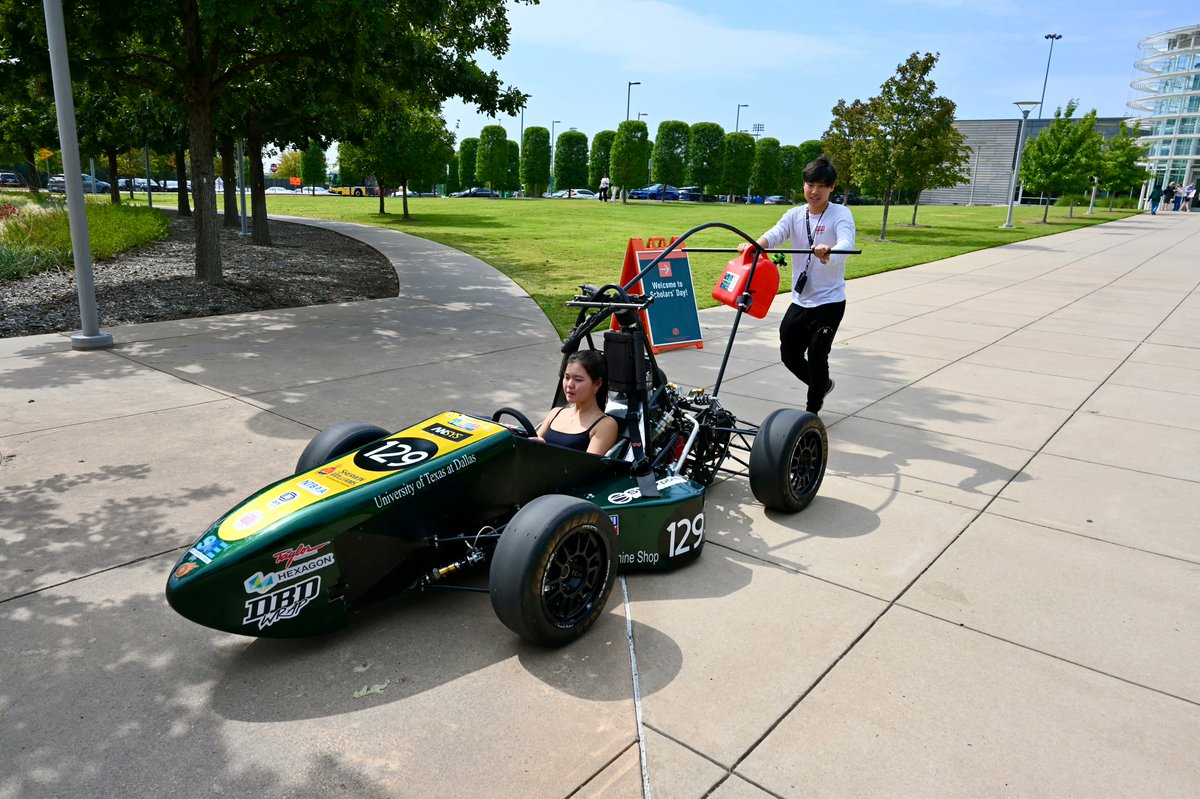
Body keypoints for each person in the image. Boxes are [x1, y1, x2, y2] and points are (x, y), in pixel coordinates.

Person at [739, 156, 856, 415]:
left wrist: (830, 251)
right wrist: (755, 246)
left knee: (817, 355)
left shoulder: (840, 213)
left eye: (822, 186)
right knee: (789, 355)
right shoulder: (794, 214)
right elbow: (775, 233)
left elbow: (847, 243)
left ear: (832, 187)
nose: (815, 191)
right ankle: (821, 385)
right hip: (801, 300)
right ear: (804, 185)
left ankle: (811, 413)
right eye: (810, 184)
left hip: (830, 303)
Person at [535, 350, 620, 455]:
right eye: (566, 377)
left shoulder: (605, 425)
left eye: (578, 379)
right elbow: (531, 446)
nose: (569, 384)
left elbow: (587, 467)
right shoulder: (555, 413)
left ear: (597, 384)